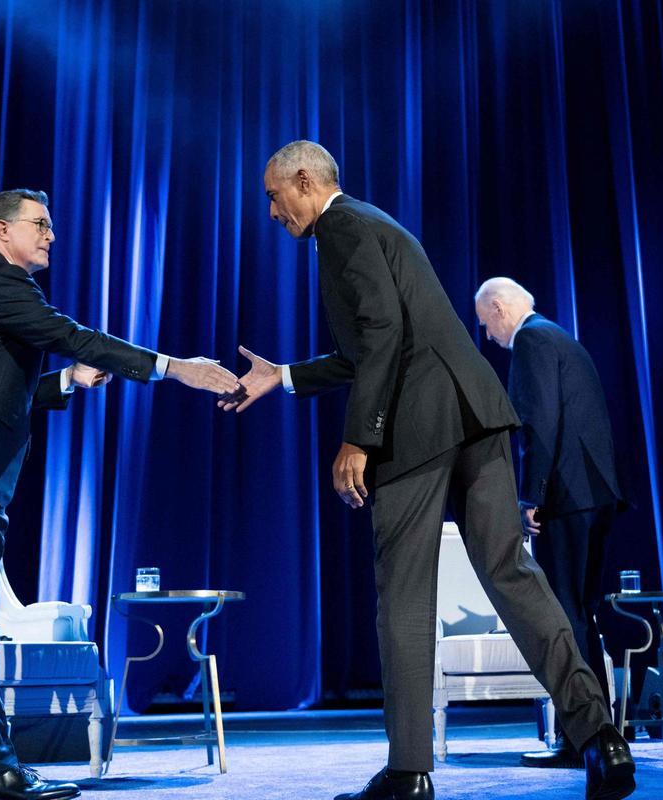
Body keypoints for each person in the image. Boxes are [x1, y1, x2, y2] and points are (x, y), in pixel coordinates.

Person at [225, 140, 635, 800]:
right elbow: (378, 342)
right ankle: (601, 738)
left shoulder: (341, 228)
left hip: (416, 426)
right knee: (517, 576)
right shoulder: (373, 221)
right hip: (476, 414)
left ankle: (410, 771)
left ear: (304, 181)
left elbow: (384, 335)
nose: (271, 211)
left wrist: (359, 439)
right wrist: (286, 376)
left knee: (405, 594)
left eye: (273, 195)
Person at [0, 189, 242, 800]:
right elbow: (73, 333)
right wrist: (172, 366)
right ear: (3, 230)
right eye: (41, 224)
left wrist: (66, 382)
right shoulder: (5, 285)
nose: (52, 234)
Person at [473, 277, 627, 769]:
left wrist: (530, 498)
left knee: (562, 617)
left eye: (485, 324)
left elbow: (538, 423)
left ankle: (583, 738)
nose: (489, 336)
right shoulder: (560, 335)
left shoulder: (533, 340)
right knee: (580, 615)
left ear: (499, 308)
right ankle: (600, 736)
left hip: (566, 496)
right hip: (593, 494)